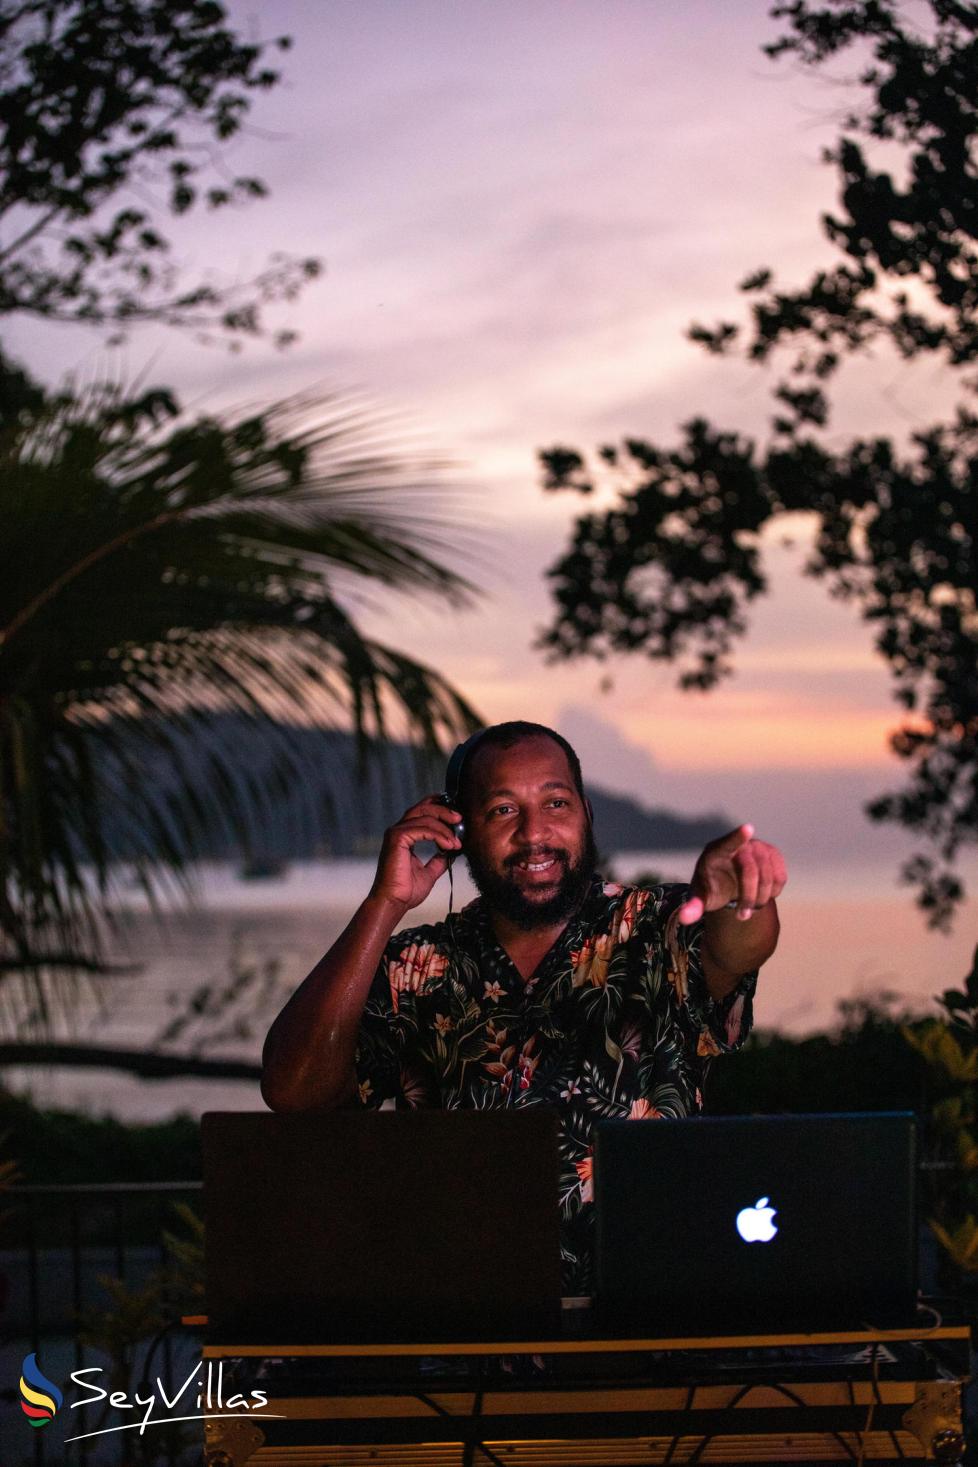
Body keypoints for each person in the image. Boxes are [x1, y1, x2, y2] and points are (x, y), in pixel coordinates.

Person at [261, 721, 787, 1291]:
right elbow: (294, 1091)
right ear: (458, 828)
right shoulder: (417, 965)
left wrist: (737, 900)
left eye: (555, 803)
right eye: (503, 811)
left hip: (650, 1327)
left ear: (586, 812)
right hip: (466, 1334)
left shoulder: (657, 927)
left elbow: (737, 951)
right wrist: (384, 904)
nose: (535, 834)